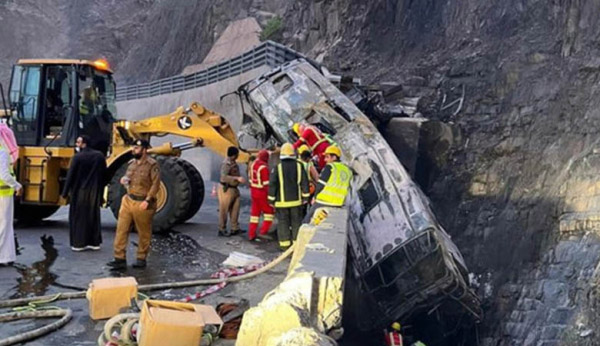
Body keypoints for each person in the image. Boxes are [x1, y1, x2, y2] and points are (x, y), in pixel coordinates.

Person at [106, 139, 160, 270]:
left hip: (142, 202)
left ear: (144, 150)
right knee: (121, 229)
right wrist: (124, 180)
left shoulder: (152, 165)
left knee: (143, 232)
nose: (133, 150)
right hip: (128, 200)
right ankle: (119, 258)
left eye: (136, 148)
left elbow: (155, 184)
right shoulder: (131, 164)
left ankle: (141, 258)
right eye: (133, 147)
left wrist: (147, 200)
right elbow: (127, 177)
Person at [61, 135, 107, 251]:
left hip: (79, 190)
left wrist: (64, 193)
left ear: (84, 143)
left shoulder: (77, 157)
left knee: (79, 217)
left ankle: (79, 243)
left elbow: (70, 176)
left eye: (78, 142)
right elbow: (104, 174)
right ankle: (94, 242)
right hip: (95, 190)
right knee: (93, 215)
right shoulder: (99, 156)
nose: (76, 144)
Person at [268, 143, 310, 250]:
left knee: (283, 223)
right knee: (296, 223)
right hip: (296, 202)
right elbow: (305, 182)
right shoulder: (299, 166)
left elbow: (273, 184)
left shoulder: (278, 168)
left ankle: (285, 246)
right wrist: (305, 197)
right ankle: (297, 246)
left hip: (281, 203)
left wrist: (271, 200)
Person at [304, 145, 353, 223]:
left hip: (323, 202)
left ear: (334, 157)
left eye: (327, 157)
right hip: (338, 203)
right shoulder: (348, 170)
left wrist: (315, 197)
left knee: (307, 222)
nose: (325, 160)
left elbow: (321, 184)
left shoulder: (330, 167)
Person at [0, 133, 22, 266]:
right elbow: (4, 175)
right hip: (3, 194)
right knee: (4, 225)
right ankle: (2, 256)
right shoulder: (2, 153)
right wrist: (17, 185)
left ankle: (7, 255)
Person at [218, 146, 246, 237]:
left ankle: (235, 228)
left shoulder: (233, 162)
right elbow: (224, 177)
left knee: (235, 209)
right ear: (234, 155)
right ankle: (222, 229)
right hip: (226, 189)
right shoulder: (226, 164)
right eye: (237, 154)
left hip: (234, 188)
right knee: (224, 210)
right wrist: (237, 178)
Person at [248, 149, 274, 241]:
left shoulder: (253, 165)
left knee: (254, 214)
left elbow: (250, 180)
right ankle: (263, 232)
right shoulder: (264, 168)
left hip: (253, 192)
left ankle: (251, 234)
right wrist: (271, 197)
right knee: (269, 213)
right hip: (262, 193)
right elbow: (266, 185)